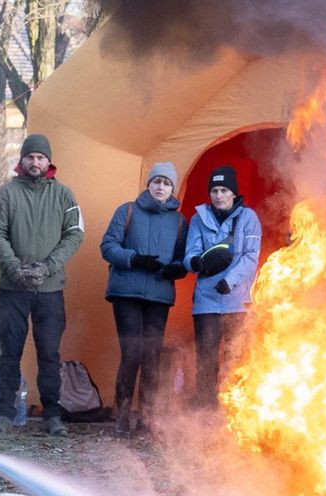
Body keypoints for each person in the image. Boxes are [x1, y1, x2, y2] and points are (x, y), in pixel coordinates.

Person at [0, 133, 85, 436]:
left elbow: (75, 234)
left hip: (50, 290)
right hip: (13, 290)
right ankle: (4, 413)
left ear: (49, 161)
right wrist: (14, 268)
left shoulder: (64, 196)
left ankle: (52, 414)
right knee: (9, 353)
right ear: (22, 160)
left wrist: (49, 266)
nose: (35, 162)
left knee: (49, 354)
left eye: (41, 157)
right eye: (30, 157)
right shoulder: (6, 194)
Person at [99, 162, 189, 436]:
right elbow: (108, 246)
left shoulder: (179, 221)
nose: (161, 187)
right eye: (157, 181)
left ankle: (147, 419)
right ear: (148, 184)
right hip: (127, 292)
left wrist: (179, 267)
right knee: (132, 354)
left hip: (159, 295)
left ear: (173, 189)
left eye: (166, 183)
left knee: (152, 357)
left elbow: (183, 256)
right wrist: (134, 258)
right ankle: (123, 417)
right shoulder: (127, 211)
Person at [185, 165, 262, 409]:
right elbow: (190, 253)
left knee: (235, 359)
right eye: (215, 190)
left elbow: (251, 257)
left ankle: (232, 413)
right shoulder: (199, 219)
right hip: (206, 302)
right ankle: (206, 412)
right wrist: (194, 262)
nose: (219, 195)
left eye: (224, 190)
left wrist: (230, 281)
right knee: (206, 361)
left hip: (237, 301)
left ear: (234, 193)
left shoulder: (248, 218)